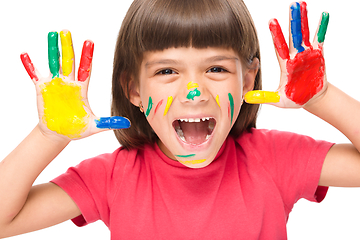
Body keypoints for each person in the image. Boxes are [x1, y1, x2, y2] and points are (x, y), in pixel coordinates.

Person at [1, 0, 359, 239]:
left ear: (247, 80)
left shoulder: (274, 159)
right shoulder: (113, 177)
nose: (194, 91)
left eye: (216, 68)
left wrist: (322, 97)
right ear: (134, 90)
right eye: (167, 70)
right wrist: (49, 136)